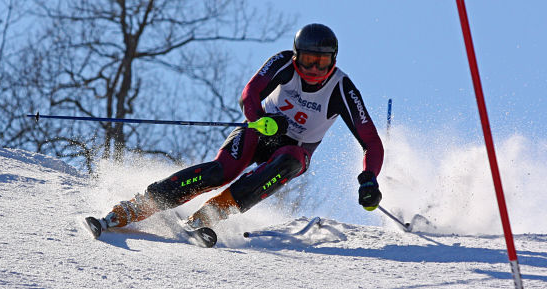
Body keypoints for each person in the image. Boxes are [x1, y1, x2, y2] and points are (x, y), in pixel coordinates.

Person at [86, 23, 384, 237]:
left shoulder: (342, 88)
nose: (315, 71)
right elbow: (250, 93)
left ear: (334, 59)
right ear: (296, 56)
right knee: (222, 171)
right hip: (261, 129)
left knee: (293, 158)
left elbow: (371, 141)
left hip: (294, 150)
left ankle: (211, 214)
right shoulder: (283, 63)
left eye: (322, 62)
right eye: (308, 61)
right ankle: (138, 206)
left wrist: (369, 178)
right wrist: (259, 120)